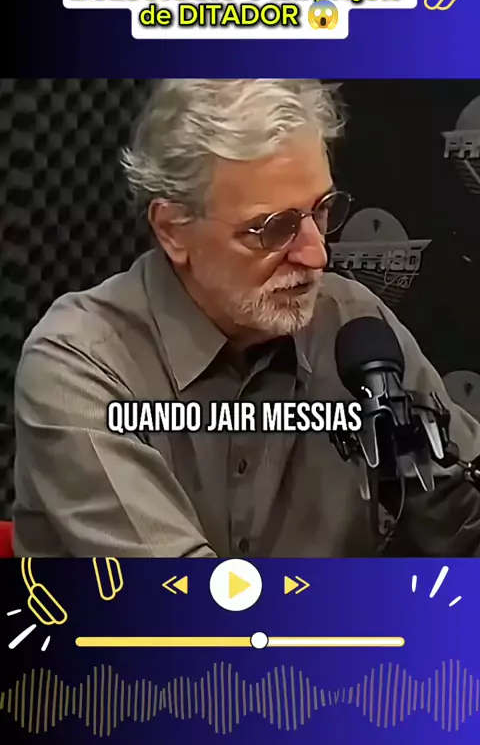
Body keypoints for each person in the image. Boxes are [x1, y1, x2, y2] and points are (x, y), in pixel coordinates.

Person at [12, 79, 480, 557]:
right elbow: (183, 596)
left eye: (321, 211)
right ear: (173, 230)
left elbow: (465, 521)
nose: (317, 255)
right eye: (274, 229)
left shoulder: (352, 320)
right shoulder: (78, 365)